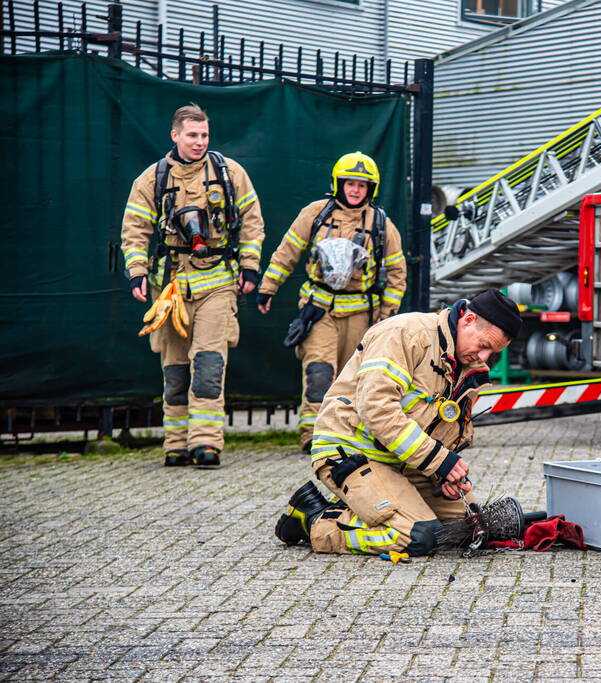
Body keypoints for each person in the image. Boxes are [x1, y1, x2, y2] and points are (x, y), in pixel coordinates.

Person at [274, 289, 522, 557]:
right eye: (484, 345)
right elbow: (377, 410)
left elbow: (445, 433)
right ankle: (313, 520)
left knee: (470, 527)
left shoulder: (470, 367)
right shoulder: (405, 333)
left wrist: (443, 475)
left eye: (493, 353)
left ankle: (375, 504)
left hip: (404, 462)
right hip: (352, 453)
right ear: (468, 319)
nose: (484, 358)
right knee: (418, 535)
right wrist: (440, 462)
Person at [120, 104, 265, 469]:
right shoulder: (152, 179)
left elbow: (252, 222)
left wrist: (249, 267)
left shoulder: (230, 174)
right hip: (169, 286)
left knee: (209, 363)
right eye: (192, 135)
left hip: (217, 281)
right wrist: (137, 271)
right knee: (174, 368)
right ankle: (175, 443)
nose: (199, 142)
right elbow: (134, 230)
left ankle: (206, 444)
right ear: (175, 135)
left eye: (204, 135)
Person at [256, 153, 407, 452]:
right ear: (338, 184)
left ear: (370, 190)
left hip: (362, 313)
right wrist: (268, 287)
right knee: (318, 372)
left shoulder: (380, 223)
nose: (355, 190)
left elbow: (396, 271)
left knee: (355, 379)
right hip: (319, 308)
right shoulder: (316, 214)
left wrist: (386, 313)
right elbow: (288, 251)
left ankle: (347, 436)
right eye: (350, 183)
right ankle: (313, 435)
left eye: (362, 186)